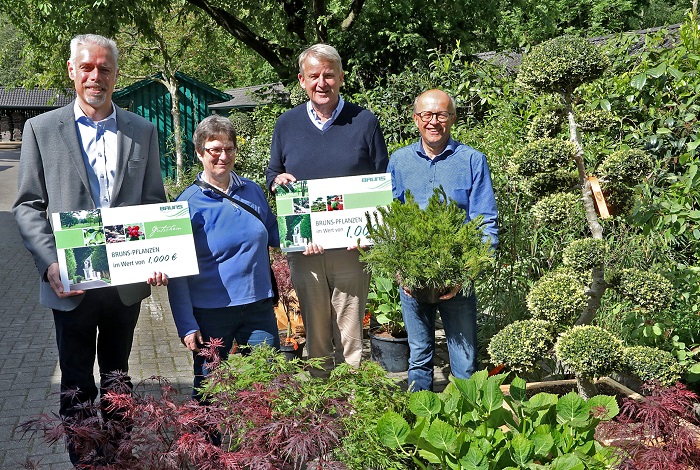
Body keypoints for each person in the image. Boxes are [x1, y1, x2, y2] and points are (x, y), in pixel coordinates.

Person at [12, 34, 167, 465]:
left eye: (104, 68)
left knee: (118, 379)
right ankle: (85, 460)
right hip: (71, 282)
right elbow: (28, 205)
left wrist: (156, 255)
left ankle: (118, 457)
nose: (95, 76)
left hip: (124, 282)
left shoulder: (142, 130)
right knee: (76, 382)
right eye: (87, 67)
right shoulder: (41, 129)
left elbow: (153, 202)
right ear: (72, 70)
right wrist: (50, 263)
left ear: (116, 74)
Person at [266, 43, 388, 377]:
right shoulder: (286, 124)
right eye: (314, 76)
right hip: (306, 248)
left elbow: (381, 181)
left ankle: (352, 399)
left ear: (341, 78)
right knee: (316, 338)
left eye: (329, 75)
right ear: (301, 80)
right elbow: (273, 174)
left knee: (350, 336)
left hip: (352, 249)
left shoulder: (364, 122)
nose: (322, 83)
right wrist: (277, 181)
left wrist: (370, 232)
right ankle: (322, 399)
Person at [388, 89, 498, 391]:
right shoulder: (399, 161)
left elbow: (485, 220)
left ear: (453, 118)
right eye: (426, 114)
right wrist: (398, 267)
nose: (433, 121)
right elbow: (390, 217)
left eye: (441, 114)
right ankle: (421, 416)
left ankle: (468, 417)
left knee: (465, 362)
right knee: (418, 357)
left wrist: (468, 272)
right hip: (412, 276)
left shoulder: (472, 160)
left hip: (458, 276)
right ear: (416, 119)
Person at [167, 115, 280, 399]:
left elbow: (275, 232)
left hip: (258, 307)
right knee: (210, 393)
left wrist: (311, 226)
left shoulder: (251, 191)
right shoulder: (187, 203)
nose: (223, 156)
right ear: (199, 152)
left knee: (269, 386)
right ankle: (211, 431)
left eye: (229, 148)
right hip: (211, 314)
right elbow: (177, 271)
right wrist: (186, 324)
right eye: (215, 149)